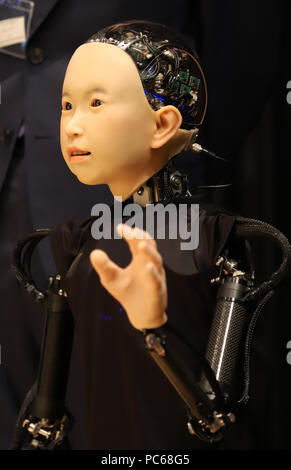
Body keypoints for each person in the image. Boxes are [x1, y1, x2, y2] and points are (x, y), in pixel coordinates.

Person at [49, 21, 256, 450]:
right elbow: (46, 407)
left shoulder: (211, 241)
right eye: (68, 105)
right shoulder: (76, 242)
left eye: (97, 102)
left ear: (163, 124)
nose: (72, 125)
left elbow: (213, 415)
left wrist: (155, 331)